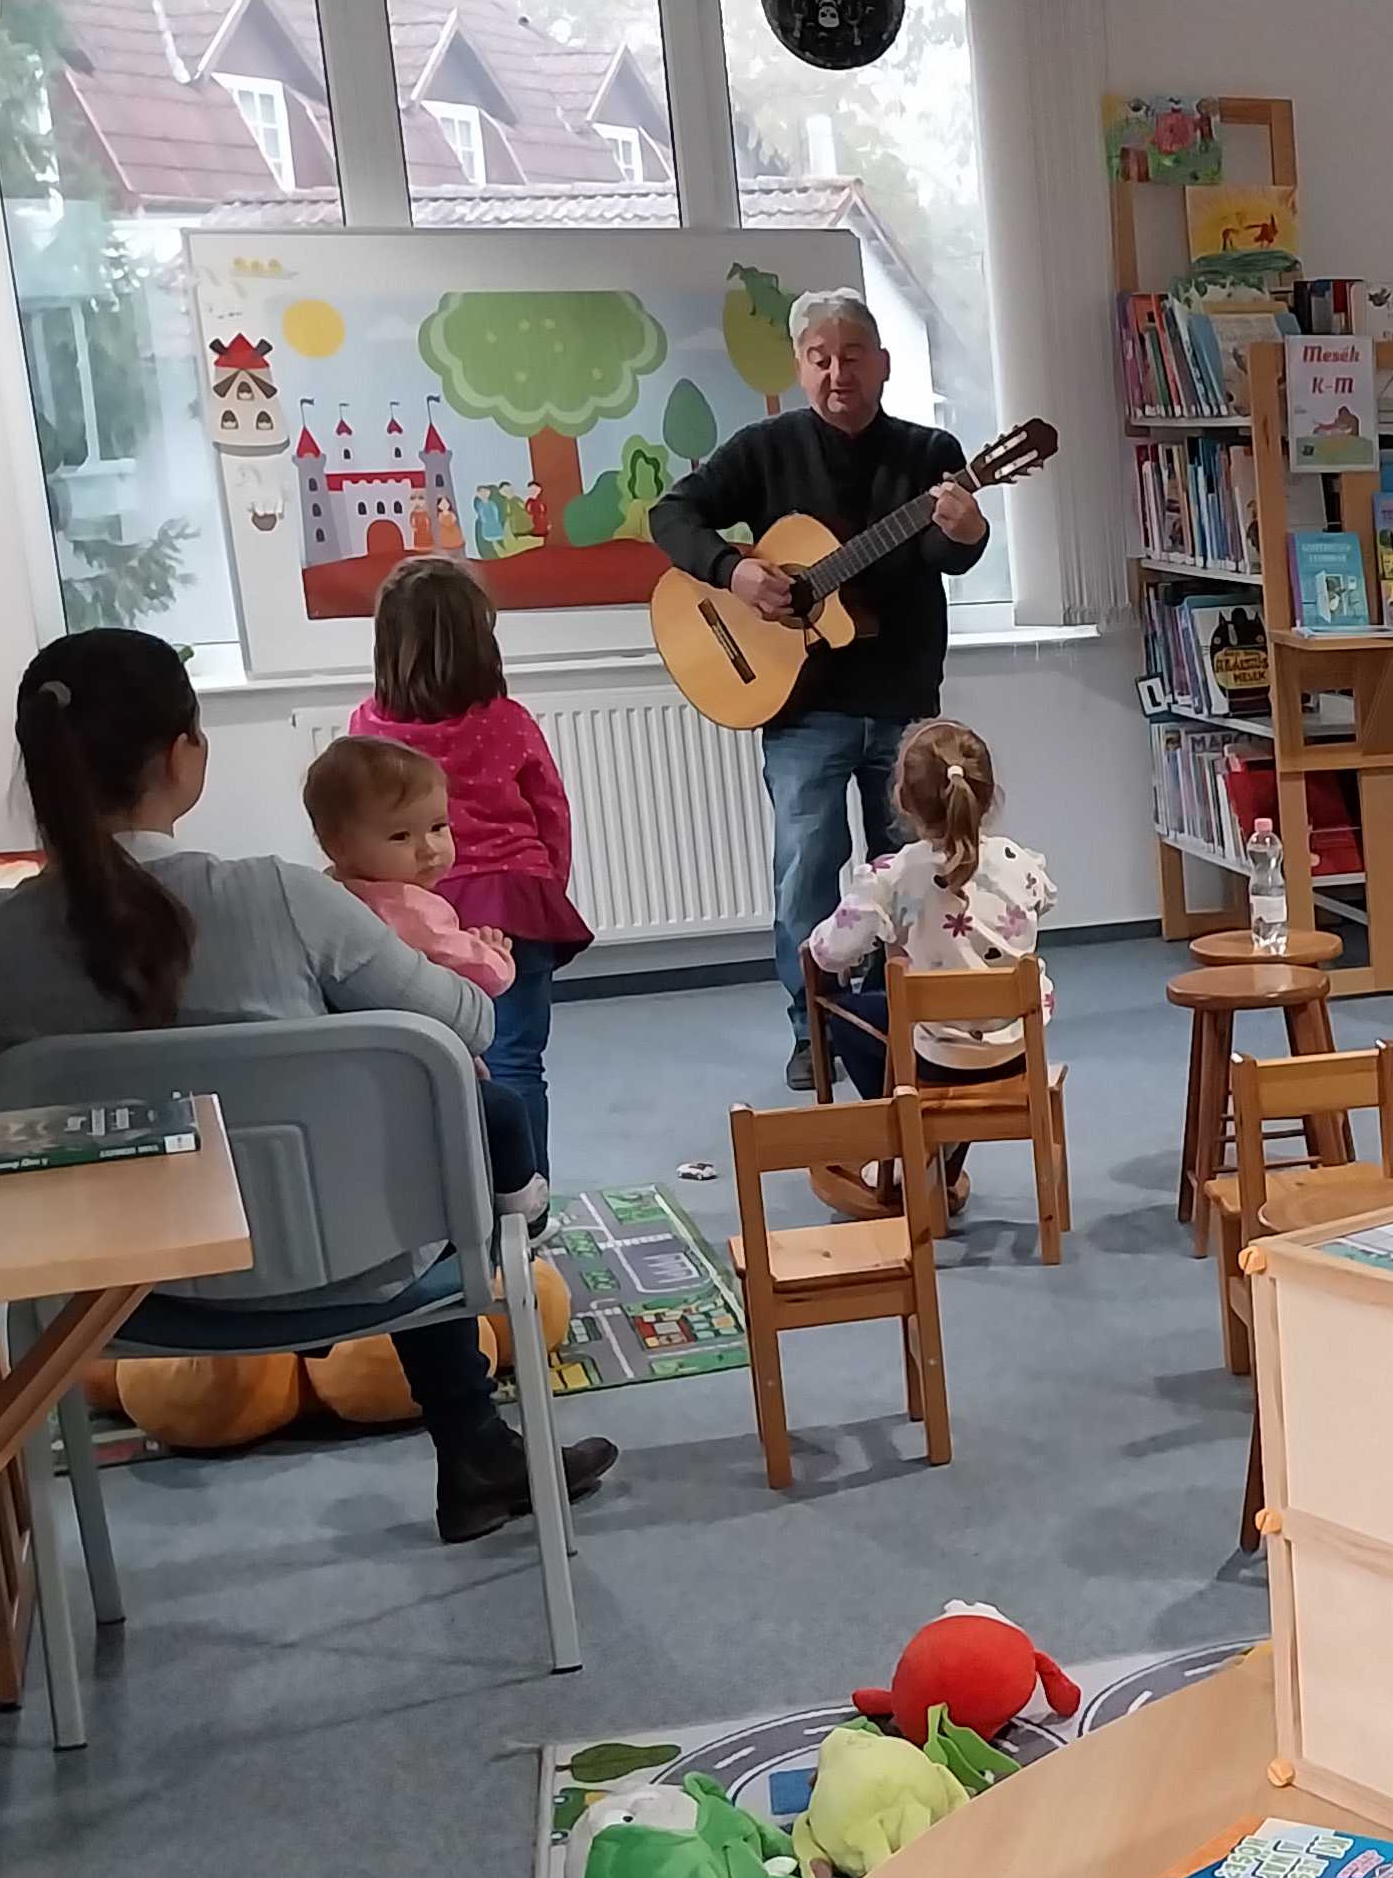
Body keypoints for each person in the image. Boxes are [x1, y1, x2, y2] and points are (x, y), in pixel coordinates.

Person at [0, 631, 618, 1547]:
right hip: (345, 1261)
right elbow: (467, 1027)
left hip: (120, 1291)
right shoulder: (285, 896)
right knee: (415, 1147)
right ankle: (475, 1445)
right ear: (184, 756)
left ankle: (477, 1455)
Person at [649, 288, 990, 1088]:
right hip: (802, 707)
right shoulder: (765, 450)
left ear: (884, 365)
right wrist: (733, 572)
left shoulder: (929, 450)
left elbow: (943, 558)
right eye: (821, 357)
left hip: (903, 703)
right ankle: (814, 1027)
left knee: (913, 868)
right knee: (805, 867)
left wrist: (968, 535)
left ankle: (901, 1015)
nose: (839, 373)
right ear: (801, 368)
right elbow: (673, 515)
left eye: (854, 356)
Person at [349, 552, 590, 1163]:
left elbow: (355, 829)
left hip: (411, 912)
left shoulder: (367, 727)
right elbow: (551, 812)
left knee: (433, 1061)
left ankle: (458, 1198)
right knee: (517, 1060)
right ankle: (528, 1198)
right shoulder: (508, 721)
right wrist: (545, 888)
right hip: (513, 901)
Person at [801, 719, 1055, 1203]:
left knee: (847, 1013)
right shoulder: (1020, 863)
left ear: (903, 800)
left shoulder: (893, 877)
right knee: (934, 1001)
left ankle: (904, 1143)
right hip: (1015, 1048)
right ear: (987, 795)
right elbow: (1043, 903)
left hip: (940, 1058)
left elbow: (830, 952)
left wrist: (825, 945)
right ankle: (942, 1150)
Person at [301, 733, 543, 1217]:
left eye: (438, 827)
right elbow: (479, 972)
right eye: (401, 837)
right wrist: (496, 955)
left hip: (361, 1061)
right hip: (422, 1061)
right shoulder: (407, 906)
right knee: (503, 1112)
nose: (430, 849)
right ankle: (520, 1210)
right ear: (338, 845)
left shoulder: (330, 892)